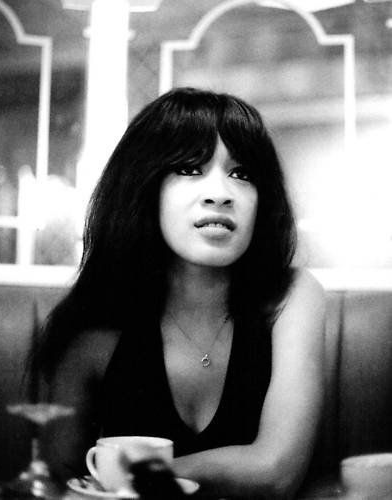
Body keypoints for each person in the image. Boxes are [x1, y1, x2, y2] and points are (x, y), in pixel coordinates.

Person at [37, 87, 325, 499]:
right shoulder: (94, 330)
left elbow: (276, 472)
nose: (220, 193)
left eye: (242, 174)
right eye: (190, 169)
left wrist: (124, 476)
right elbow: (54, 486)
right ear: (144, 185)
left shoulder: (293, 297)